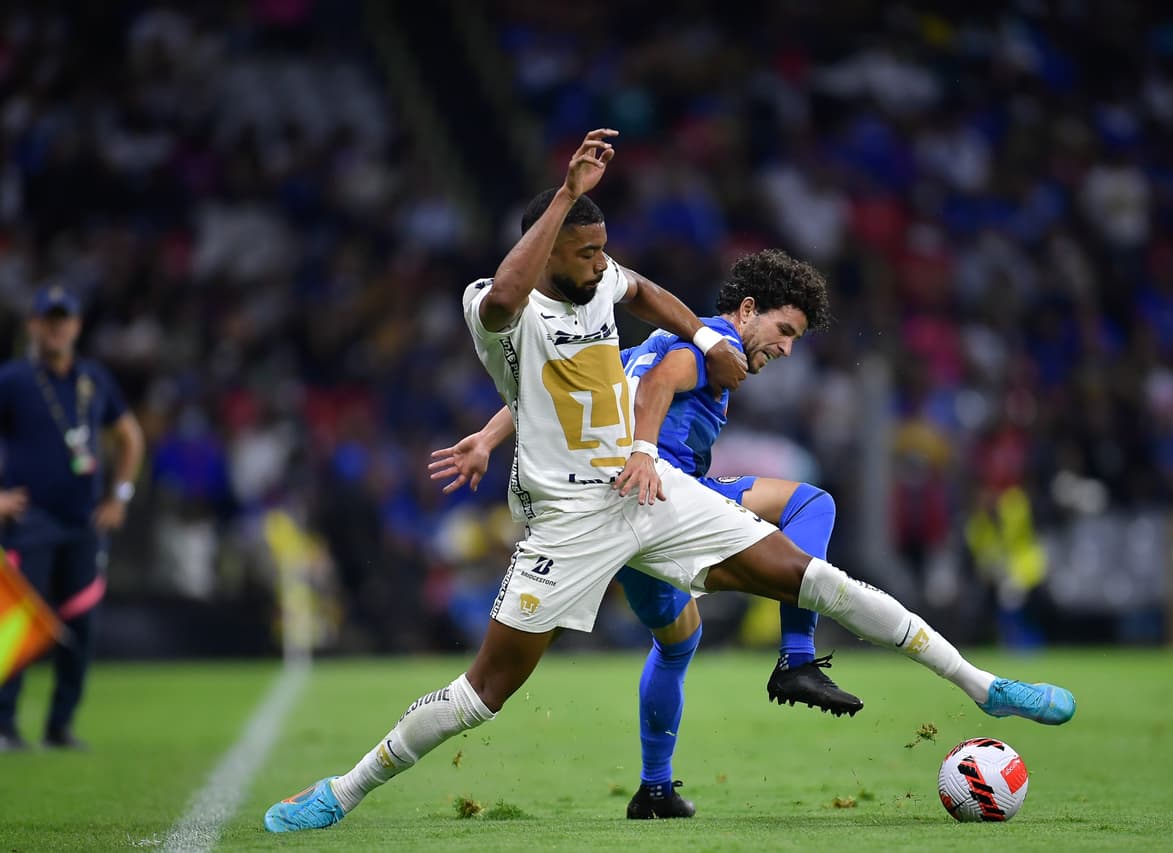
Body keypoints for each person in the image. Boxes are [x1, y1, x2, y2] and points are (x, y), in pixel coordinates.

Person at [263, 129, 1075, 834]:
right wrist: (566, 200)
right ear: (547, 248)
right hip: (569, 519)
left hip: (648, 495)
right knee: (487, 690)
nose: (598, 265)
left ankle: (984, 685)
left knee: (814, 576)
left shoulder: (604, 280)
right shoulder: (494, 305)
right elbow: (519, 302)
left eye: (599, 248)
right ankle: (341, 791)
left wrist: (702, 336)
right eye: (582, 252)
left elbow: (641, 296)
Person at [428, 247, 861, 820]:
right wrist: (647, 454)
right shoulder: (714, 345)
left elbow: (562, 391)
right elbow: (659, 386)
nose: (786, 349)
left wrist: (487, 436)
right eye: (785, 331)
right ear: (748, 309)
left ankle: (654, 791)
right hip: (661, 498)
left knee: (678, 639)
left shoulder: (648, 343)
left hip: (622, 506)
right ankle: (797, 656)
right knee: (812, 503)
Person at [0, 285, 145, 751]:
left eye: (65, 319)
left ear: (77, 325)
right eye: (49, 319)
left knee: (80, 625)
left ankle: (60, 725)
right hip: (30, 523)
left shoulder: (93, 379)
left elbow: (130, 437)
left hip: (84, 524)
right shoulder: (14, 379)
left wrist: (120, 495)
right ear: (33, 326)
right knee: (18, 625)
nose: (58, 327)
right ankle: (4, 726)